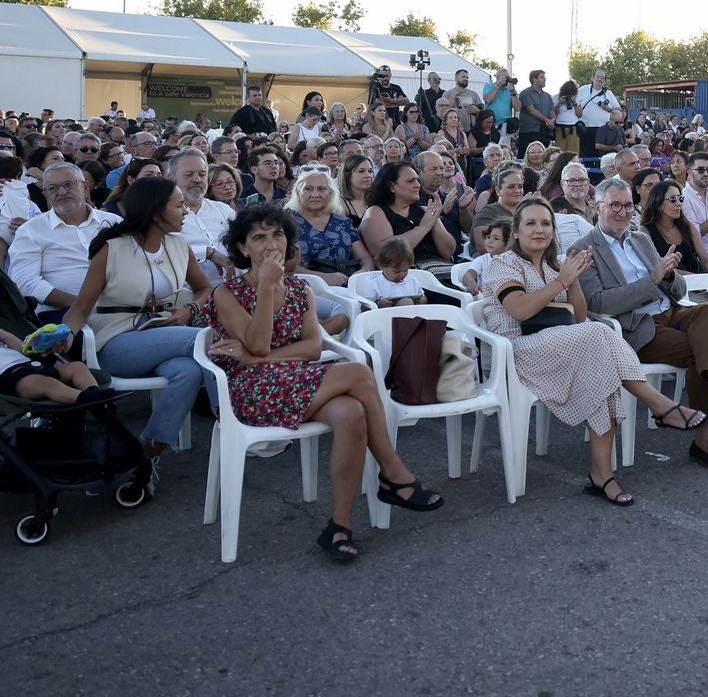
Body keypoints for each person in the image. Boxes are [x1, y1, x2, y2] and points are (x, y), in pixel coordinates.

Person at [210, 203, 441, 561]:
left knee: (351, 412)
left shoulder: (301, 289)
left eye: (277, 235)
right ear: (242, 248)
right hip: (252, 391)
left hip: (296, 381)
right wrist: (267, 290)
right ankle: (394, 474)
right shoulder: (227, 293)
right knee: (359, 371)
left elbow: (313, 347)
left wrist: (261, 356)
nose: (271, 244)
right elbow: (256, 342)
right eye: (258, 238)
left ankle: (340, 525)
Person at [482, 196, 708, 506]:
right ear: (516, 230)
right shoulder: (503, 264)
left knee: (600, 368)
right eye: (531, 223)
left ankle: (602, 474)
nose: (539, 230)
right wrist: (562, 281)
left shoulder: (555, 265)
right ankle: (659, 407)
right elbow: (521, 311)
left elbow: (579, 317)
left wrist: (573, 282)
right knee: (598, 333)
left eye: (546, 223)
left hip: (559, 345)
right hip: (514, 351)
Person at [571, 177, 708, 471]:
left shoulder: (640, 240)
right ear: (598, 207)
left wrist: (670, 276)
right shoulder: (584, 249)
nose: (622, 212)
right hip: (637, 327)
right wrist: (654, 279)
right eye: (614, 206)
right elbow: (599, 304)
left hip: (671, 311)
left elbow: (679, 290)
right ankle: (705, 440)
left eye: (627, 206)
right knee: (702, 352)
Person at [62, 177, 212, 476]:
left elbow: (206, 289)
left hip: (164, 333)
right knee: (206, 338)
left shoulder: (178, 244)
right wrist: (62, 338)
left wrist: (189, 310)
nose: (186, 211)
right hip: (117, 341)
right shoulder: (112, 248)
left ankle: (145, 454)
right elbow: (80, 309)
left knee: (189, 370)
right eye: (179, 205)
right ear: (156, 212)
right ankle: (236, 416)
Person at [8, 161, 122, 320]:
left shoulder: (114, 223)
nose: (61, 192)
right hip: (61, 317)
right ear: (45, 194)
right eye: (52, 188)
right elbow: (25, 283)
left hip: (121, 312)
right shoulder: (31, 231)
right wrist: (83, 306)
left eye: (68, 184)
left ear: (85, 186)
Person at [359, 160, 457, 271]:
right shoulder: (375, 212)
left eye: (418, 180)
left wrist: (434, 222)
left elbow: (448, 252)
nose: (418, 185)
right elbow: (385, 255)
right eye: (411, 181)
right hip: (406, 276)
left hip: (441, 270)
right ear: (391, 186)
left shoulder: (424, 211)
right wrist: (423, 227)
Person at [287, 165, 368, 286]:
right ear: (298, 192)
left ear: (330, 193)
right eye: (308, 189)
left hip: (347, 286)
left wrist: (360, 275)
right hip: (305, 288)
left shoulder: (343, 222)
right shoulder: (287, 222)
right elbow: (282, 265)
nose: (315, 194)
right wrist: (323, 278)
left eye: (321, 189)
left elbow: (366, 259)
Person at [0, 323, 114, 405]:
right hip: (11, 378)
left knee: (77, 367)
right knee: (47, 383)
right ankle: (84, 398)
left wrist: (4, 335)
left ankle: (94, 393)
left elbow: (22, 349)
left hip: (33, 365)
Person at [169, 148, 236, 286]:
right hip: (190, 297)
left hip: (234, 291)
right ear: (170, 178)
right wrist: (206, 253)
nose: (197, 180)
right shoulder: (163, 215)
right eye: (188, 175)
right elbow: (163, 249)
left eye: (202, 174)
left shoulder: (223, 210)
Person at [640, 179, 708, 275]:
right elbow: (653, 267)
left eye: (680, 198)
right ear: (658, 204)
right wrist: (695, 279)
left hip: (701, 282)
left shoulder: (687, 226)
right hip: (672, 285)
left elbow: (705, 259)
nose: (679, 203)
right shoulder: (645, 231)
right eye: (673, 199)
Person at [354, 239, 423, 308]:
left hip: (415, 316)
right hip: (386, 317)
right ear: (381, 266)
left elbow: (423, 297)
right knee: (406, 302)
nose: (402, 274)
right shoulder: (375, 285)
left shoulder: (412, 281)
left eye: (405, 270)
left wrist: (422, 300)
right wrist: (379, 304)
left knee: (408, 302)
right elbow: (364, 307)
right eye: (397, 271)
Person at [458, 219, 509, 295]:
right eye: (488, 237)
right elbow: (469, 274)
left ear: (508, 243)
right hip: (485, 299)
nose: (490, 241)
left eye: (496, 238)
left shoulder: (513, 261)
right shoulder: (482, 260)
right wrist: (471, 282)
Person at [575, 70, 617, 160]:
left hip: (604, 130)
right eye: (598, 76)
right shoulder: (583, 89)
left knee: (603, 158)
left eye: (602, 78)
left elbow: (619, 109)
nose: (600, 79)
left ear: (605, 81)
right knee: (587, 157)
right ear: (592, 78)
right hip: (586, 129)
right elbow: (574, 102)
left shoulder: (608, 93)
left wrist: (608, 109)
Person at [444, 69, 485, 135]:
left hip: (472, 132)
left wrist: (477, 111)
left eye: (467, 77)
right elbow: (445, 111)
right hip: (453, 131)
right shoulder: (447, 93)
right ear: (456, 78)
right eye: (463, 77)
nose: (466, 79)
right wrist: (453, 95)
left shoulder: (473, 94)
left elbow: (483, 112)